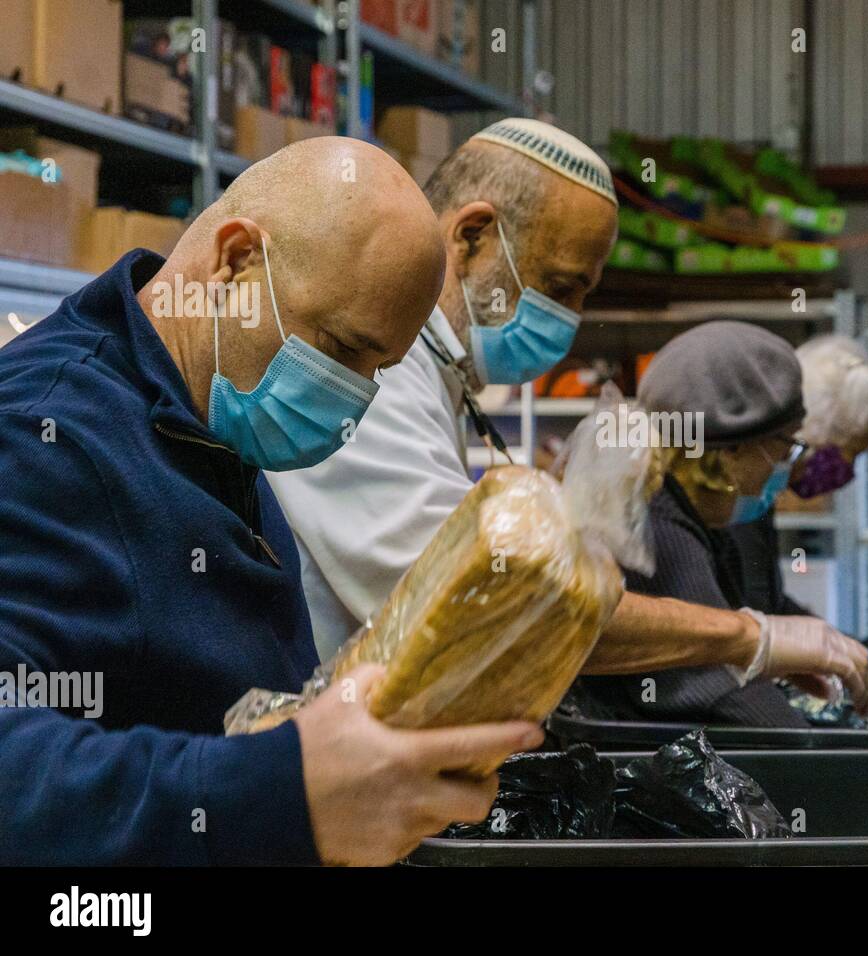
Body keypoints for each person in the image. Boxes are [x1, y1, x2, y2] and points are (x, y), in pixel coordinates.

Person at [0, 137, 542, 866]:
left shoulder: (215, 421)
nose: (354, 403)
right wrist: (283, 788)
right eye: (343, 347)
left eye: (379, 368)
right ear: (233, 262)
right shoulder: (46, 435)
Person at [268, 119, 868, 711]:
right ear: (473, 237)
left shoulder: (439, 375)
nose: (573, 319)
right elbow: (493, 604)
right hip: (317, 754)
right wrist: (751, 638)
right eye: (560, 288)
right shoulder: (376, 375)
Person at [578, 321, 868, 727]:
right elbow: (725, 693)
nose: (788, 467)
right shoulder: (662, 532)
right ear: (727, 457)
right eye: (786, 447)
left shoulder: (690, 514)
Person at [727, 333, 868, 617]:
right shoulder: (740, 498)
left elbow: (766, 601)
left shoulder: (761, 499)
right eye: (844, 453)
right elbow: (746, 613)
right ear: (811, 431)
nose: (847, 472)